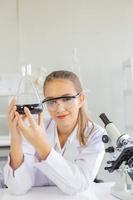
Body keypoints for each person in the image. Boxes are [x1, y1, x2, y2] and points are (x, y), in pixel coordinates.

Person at [4, 70, 105, 195]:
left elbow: (78, 186)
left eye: (67, 98)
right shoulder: (34, 128)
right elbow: (17, 188)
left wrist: (41, 146)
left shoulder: (95, 135)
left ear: (81, 99)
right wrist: (15, 137)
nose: (59, 109)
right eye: (51, 101)